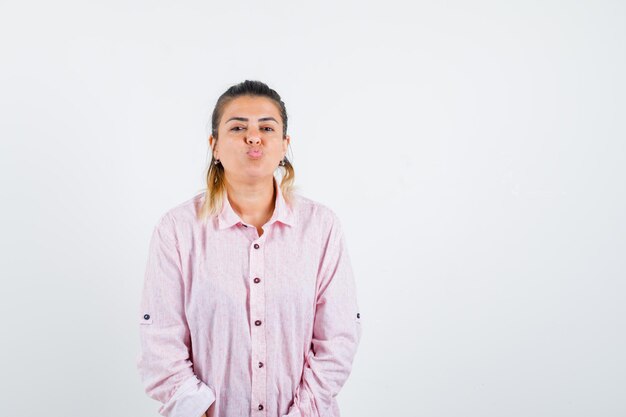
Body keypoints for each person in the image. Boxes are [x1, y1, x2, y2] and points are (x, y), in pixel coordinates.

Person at [137, 80, 362, 417]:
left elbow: (338, 340)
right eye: (238, 126)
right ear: (214, 145)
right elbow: (161, 345)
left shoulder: (321, 227)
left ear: (285, 144)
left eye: (267, 127)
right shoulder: (177, 230)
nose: (253, 136)